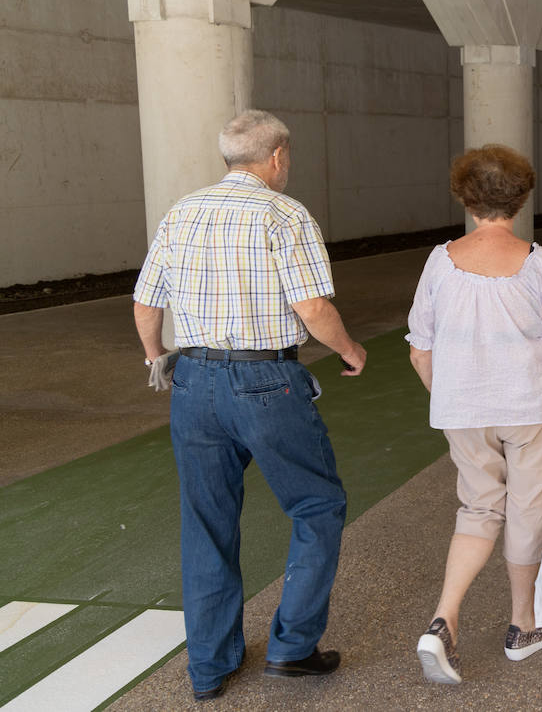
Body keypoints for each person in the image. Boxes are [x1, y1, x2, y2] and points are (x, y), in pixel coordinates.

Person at [132, 110, 368, 702]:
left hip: (192, 380)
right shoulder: (284, 214)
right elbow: (311, 308)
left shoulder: (181, 210)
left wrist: (156, 356)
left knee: (207, 521)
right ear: (278, 157)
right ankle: (292, 649)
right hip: (265, 382)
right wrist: (351, 349)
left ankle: (209, 669)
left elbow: (145, 301)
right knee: (317, 504)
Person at [406, 144, 542, 686]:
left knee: (478, 507)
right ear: (521, 199)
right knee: (527, 510)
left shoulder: (439, 260)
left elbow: (421, 348)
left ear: (465, 198)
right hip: (531, 411)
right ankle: (523, 625)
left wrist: (452, 398)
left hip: (463, 412)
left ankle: (444, 620)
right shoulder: (539, 263)